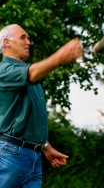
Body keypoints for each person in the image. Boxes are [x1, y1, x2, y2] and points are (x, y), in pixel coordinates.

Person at [0, 24, 84, 187]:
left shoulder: (26, 72)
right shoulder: (4, 70)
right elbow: (32, 73)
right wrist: (60, 56)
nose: (28, 42)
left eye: (28, 38)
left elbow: (27, 117)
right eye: (23, 37)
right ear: (7, 42)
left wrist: (45, 146)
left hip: (33, 157)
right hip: (10, 155)